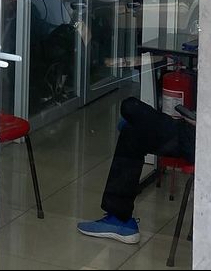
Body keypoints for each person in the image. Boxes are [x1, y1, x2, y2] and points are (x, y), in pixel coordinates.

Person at [77, 96, 196, 243]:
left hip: (198, 138)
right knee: (131, 133)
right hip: (191, 133)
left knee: (130, 107)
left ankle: (119, 219)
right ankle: (120, 221)